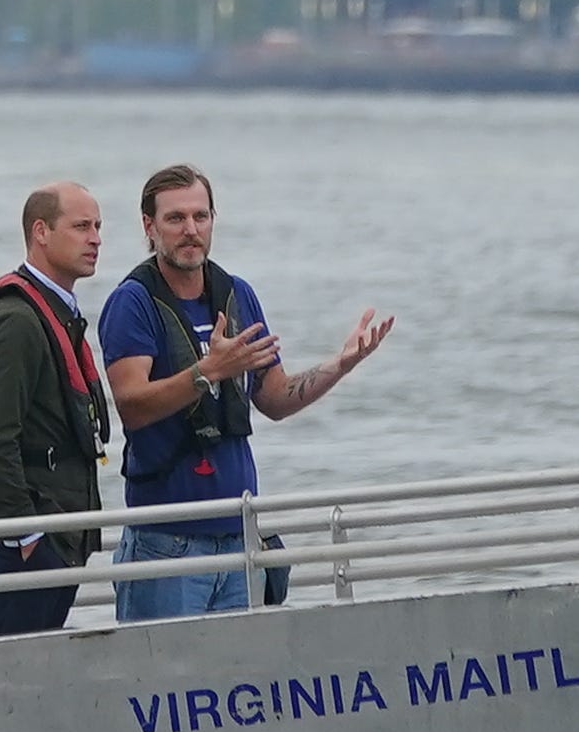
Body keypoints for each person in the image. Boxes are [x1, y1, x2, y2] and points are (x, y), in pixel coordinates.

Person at [95, 167, 390, 623]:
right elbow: (131, 405)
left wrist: (339, 365)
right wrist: (207, 371)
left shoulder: (237, 294)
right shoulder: (132, 303)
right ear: (149, 226)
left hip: (242, 537)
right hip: (167, 546)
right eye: (175, 219)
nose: (190, 230)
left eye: (200, 216)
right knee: (162, 682)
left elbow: (274, 398)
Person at [0, 181, 112, 638]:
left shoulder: (58, 312)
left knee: (25, 675)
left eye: (99, 227)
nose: (96, 239)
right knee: (2, 675)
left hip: (58, 533)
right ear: (41, 232)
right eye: (82, 226)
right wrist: (28, 535)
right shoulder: (17, 321)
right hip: (25, 542)